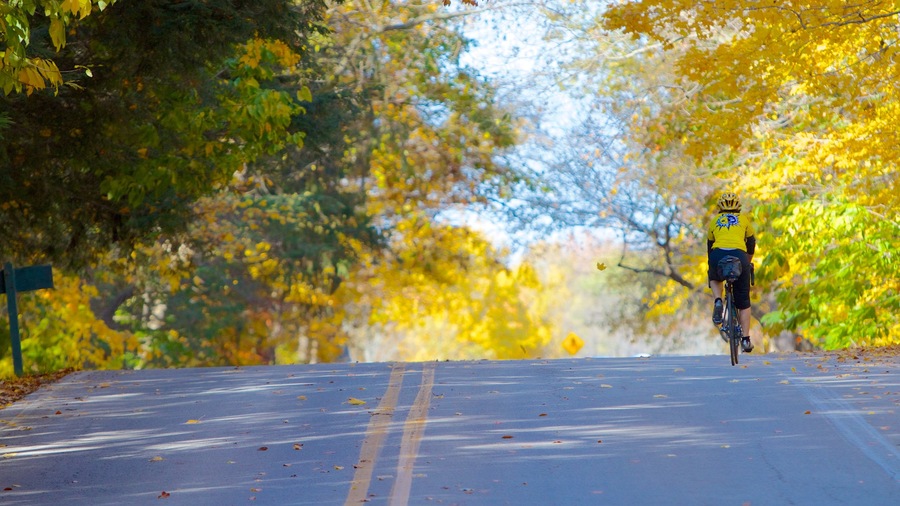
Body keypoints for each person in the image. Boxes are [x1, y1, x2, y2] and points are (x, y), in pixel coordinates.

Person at [707, 192, 755, 353]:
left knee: (714, 276)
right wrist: (747, 262)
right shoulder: (744, 220)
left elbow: (709, 246)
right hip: (740, 256)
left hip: (718, 254)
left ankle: (718, 300)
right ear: (738, 206)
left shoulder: (714, 221)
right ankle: (746, 339)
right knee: (744, 301)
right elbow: (751, 243)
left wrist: (712, 263)